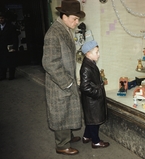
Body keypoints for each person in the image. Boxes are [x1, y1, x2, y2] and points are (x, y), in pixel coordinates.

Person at [42, 0, 85, 155]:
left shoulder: (64, 29)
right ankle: (62, 145)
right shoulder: (54, 33)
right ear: (64, 16)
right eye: (74, 18)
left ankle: (68, 136)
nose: (77, 21)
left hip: (66, 80)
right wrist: (66, 83)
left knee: (68, 110)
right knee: (61, 112)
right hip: (59, 83)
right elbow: (49, 63)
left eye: (78, 19)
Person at [80, 40, 110, 149]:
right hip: (92, 100)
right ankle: (96, 142)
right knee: (94, 122)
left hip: (92, 100)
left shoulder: (90, 63)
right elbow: (84, 87)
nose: (99, 54)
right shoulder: (86, 67)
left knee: (91, 119)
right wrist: (98, 93)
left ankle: (87, 136)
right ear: (88, 53)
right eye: (96, 52)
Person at [0, 12, 19, 80]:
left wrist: (14, 47)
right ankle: (2, 75)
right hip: (1, 48)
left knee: (11, 62)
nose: (0, 20)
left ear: (4, 19)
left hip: (9, 46)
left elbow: (15, 38)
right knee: (2, 62)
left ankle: (11, 75)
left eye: (2, 18)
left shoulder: (11, 27)